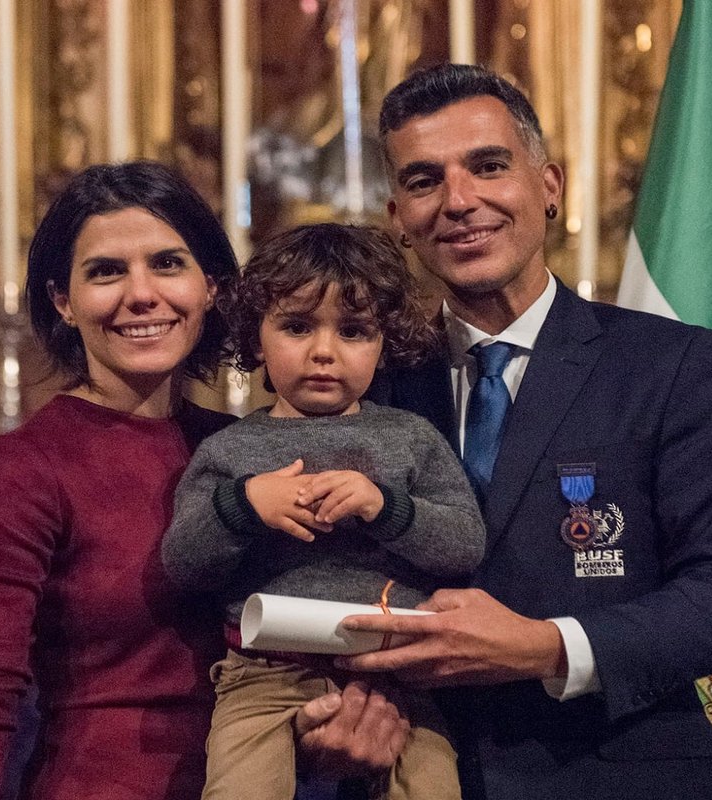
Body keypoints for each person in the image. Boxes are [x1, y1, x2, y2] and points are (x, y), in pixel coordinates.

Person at [302, 65, 712, 799]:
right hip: (408, 777)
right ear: (397, 216)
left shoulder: (670, 365)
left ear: (549, 186)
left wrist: (545, 646)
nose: (460, 201)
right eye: (426, 179)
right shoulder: (367, 381)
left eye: (489, 166)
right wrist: (322, 724)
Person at [0, 162, 404, 800]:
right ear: (63, 301)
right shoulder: (26, 468)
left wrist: (328, 728)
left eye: (168, 264)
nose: (142, 294)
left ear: (211, 287)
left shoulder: (249, 450)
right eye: (106, 271)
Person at [161, 224, 487, 800]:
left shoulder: (410, 438)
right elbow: (183, 565)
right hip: (264, 674)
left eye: (355, 331)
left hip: (399, 670)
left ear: (386, 341)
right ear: (256, 339)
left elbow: (464, 543)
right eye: (296, 326)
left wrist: (385, 507)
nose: (323, 351)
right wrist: (244, 506)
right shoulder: (229, 451)